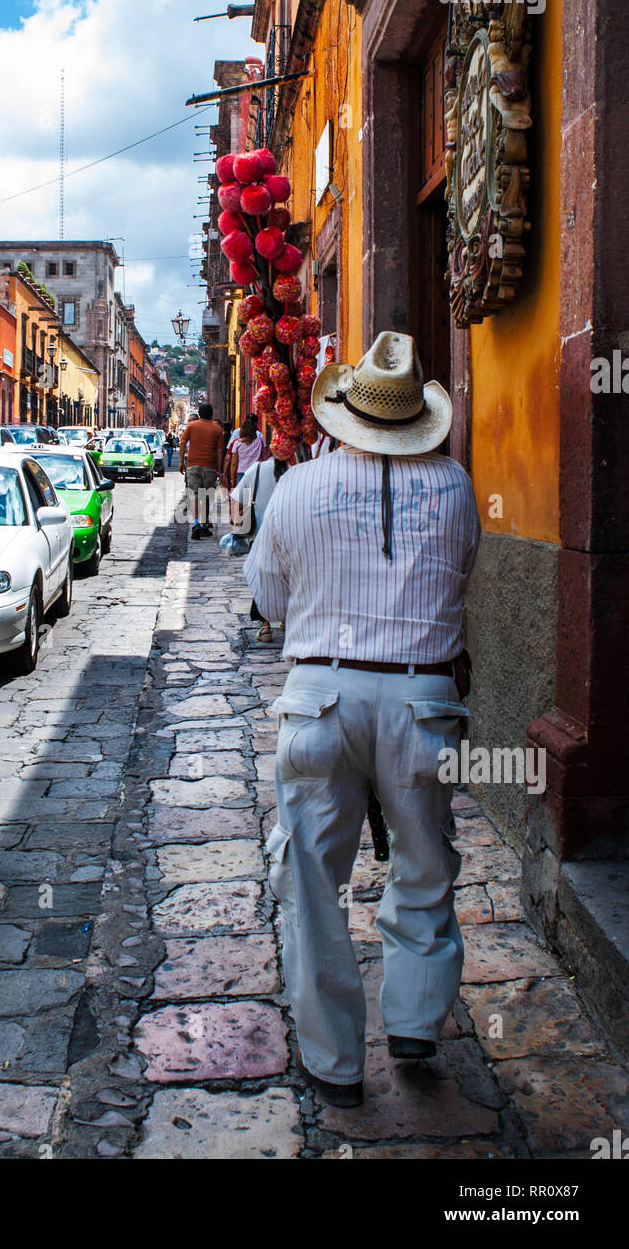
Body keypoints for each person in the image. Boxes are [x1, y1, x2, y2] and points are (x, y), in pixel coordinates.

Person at [244, 331, 480, 1109]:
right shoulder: (455, 486)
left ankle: (335, 1062)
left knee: (312, 882)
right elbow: (462, 578)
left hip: (320, 698)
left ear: (342, 411)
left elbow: (270, 601)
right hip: (422, 699)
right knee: (425, 860)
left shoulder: (296, 488)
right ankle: (413, 1021)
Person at [231, 453, 290, 642]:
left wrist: (237, 520)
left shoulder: (255, 470)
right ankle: (285, 618)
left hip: (259, 536)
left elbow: (238, 503)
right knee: (288, 579)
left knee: (262, 580)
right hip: (289, 535)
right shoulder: (296, 471)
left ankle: (265, 628)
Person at [179, 401, 224, 540]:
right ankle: (203, 525)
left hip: (192, 465)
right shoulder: (217, 429)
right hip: (209, 466)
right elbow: (220, 451)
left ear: (199, 414)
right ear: (211, 415)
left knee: (195, 496)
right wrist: (220, 469)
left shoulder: (192, 426)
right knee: (206, 496)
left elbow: (182, 442)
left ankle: (197, 523)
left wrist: (182, 461)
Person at [223, 414, 267, 490]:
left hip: (242, 473)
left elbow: (233, 463)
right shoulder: (260, 441)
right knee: (254, 497)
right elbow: (264, 458)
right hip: (256, 473)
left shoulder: (237, 443)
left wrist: (232, 480)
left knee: (244, 498)